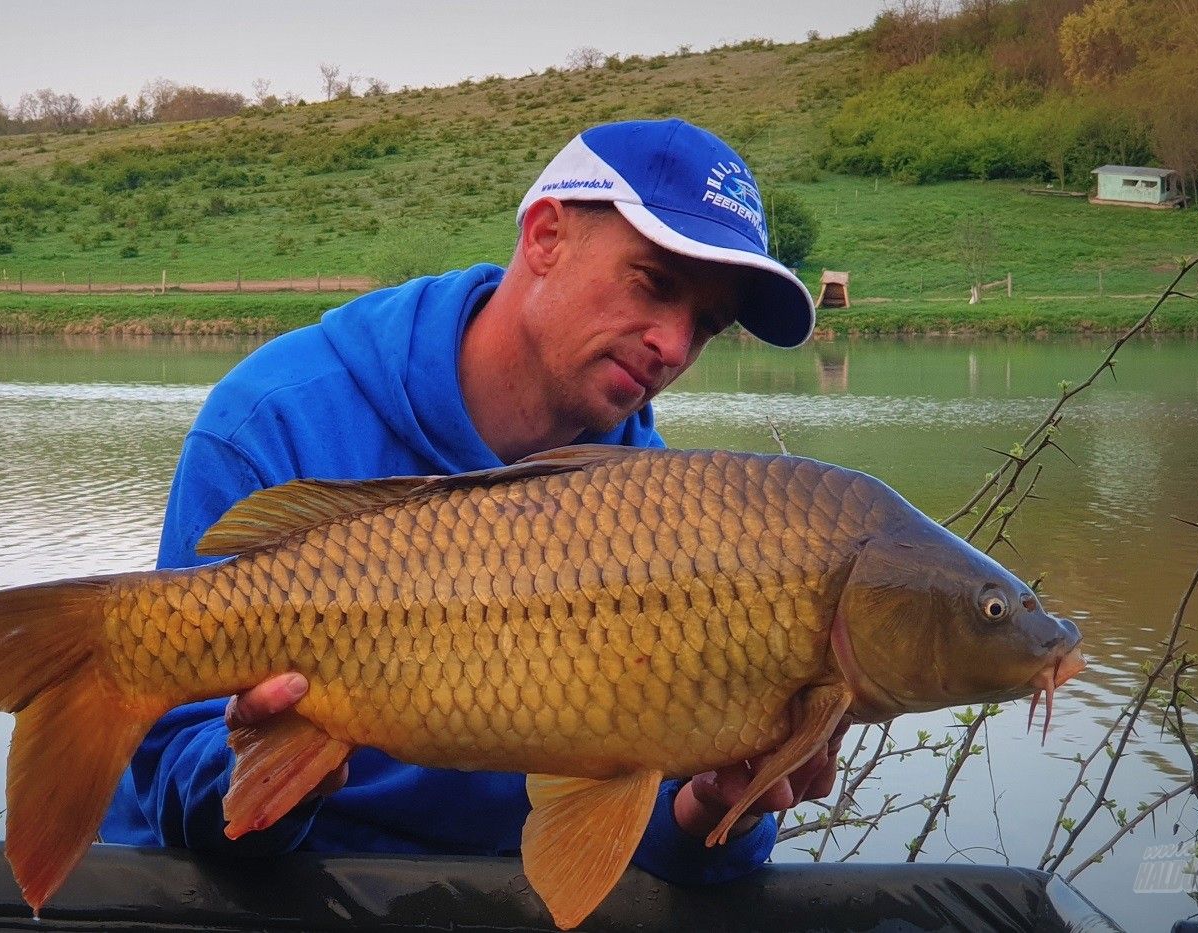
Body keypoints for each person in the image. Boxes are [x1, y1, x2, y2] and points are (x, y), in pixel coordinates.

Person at [100, 118, 844, 886]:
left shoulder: (663, 519)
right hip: (272, 891)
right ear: (547, 235)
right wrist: (267, 784)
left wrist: (712, 810)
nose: (675, 346)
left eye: (707, 326)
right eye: (655, 284)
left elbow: (614, 832)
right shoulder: (277, 418)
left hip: (486, 896)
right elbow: (173, 771)